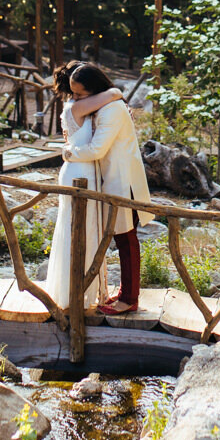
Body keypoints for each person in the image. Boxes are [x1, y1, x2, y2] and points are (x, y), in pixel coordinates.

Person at [63, 62, 154, 315]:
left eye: (80, 95)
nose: (76, 99)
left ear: (94, 90)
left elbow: (96, 149)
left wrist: (68, 152)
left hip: (123, 182)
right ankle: (127, 292)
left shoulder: (112, 110)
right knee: (122, 238)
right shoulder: (107, 105)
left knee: (126, 239)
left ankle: (130, 299)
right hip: (115, 180)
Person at [44, 61, 122, 314]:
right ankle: (75, 292)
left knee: (87, 231)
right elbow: (114, 93)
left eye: (79, 92)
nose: (74, 97)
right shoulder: (77, 107)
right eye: (73, 92)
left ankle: (84, 290)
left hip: (82, 170)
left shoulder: (84, 107)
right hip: (80, 171)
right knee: (78, 231)